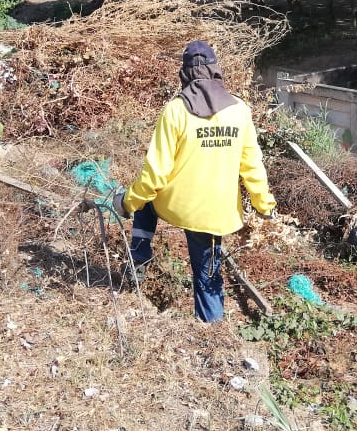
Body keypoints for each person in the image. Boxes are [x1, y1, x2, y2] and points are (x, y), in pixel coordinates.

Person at [117, 41, 276, 323]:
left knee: (145, 200)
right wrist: (264, 206)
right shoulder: (240, 110)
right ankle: (212, 328)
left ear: (185, 73)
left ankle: (138, 257)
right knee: (207, 277)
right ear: (217, 71)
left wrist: (127, 202)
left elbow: (154, 176)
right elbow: (252, 166)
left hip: (176, 205)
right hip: (215, 214)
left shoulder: (176, 110)